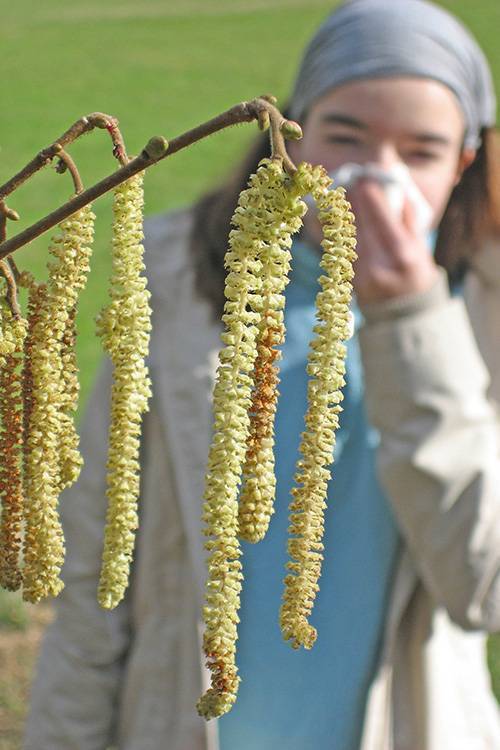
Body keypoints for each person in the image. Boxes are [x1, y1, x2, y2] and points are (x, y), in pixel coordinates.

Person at [25, 1, 500, 748]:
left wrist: (413, 323)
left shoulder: (482, 310)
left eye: (421, 150)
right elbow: (97, 571)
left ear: (465, 162)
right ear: (295, 127)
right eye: (345, 135)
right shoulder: (173, 280)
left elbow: (485, 585)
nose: (377, 173)